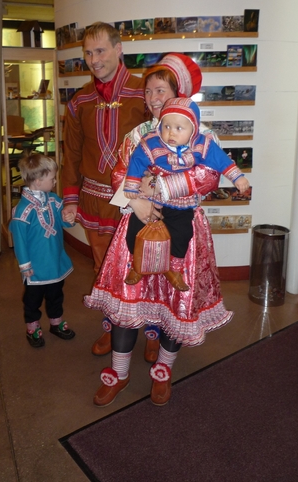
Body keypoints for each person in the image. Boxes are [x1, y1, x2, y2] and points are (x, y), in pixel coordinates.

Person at [84, 53, 234, 407]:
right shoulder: (138, 134)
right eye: (148, 90)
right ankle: (119, 374)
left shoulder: (203, 135)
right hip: (138, 223)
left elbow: (209, 177)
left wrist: (161, 189)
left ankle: (163, 373)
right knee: (127, 297)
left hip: (184, 229)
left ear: (178, 93)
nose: (153, 98)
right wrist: (135, 201)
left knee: (176, 299)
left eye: (161, 91)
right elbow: (120, 174)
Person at [61, 21, 152, 357]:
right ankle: (114, 329)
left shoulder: (145, 92)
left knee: (144, 268)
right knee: (104, 272)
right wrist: (70, 198)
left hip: (137, 202)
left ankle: (152, 333)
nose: (93, 59)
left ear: (119, 49)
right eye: (87, 52)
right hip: (94, 202)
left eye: (100, 50)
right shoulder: (79, 100)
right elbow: (70, 152)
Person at [123, 97, 250, 290]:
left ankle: (174, 268)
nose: (170, 133)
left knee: (182, 233)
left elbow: (221, 161)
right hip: (151, 199)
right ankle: (138, 264)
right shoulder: (150, 142)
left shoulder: (203, 144)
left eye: (178, 128)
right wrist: (132, 185)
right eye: (166, 126)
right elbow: (137, 161)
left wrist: (238, 178)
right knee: (134, 229)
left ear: (194, 129)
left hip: (181, 202)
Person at [9, 152, 76, 348]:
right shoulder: (22, 211)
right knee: (33, 299)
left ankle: (56, 322)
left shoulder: (53, 200)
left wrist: (68, 219)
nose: (55, 181)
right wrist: (25, 265)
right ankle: (32, 326)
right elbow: (19, 241)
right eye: (52, 178)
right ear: (38, 181)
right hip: (35, 267)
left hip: (55, 261)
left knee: (56, 294)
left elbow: (63, 220)